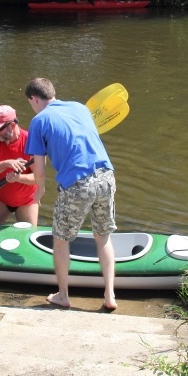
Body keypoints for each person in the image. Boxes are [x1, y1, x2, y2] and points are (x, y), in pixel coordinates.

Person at [24, 78, 117, 310]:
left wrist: (40, 191)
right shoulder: (80, 107)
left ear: (34, 99)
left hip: (77, 184)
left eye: (31, 103)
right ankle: (110, 295)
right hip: (106, 176)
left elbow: (41, 170)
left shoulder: (39, 121)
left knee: (61, 239)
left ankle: (63, 295)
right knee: (102, 236)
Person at [0, 105, 38, 226]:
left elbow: (38, 178)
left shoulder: (31, 141)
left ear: (12, 125)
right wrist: (7, 163)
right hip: (1, 198)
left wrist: (18, 178)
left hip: (27, 201)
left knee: (27, 239)